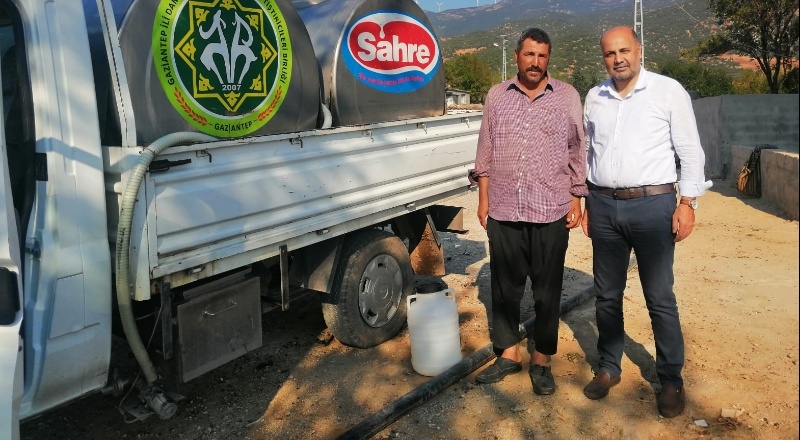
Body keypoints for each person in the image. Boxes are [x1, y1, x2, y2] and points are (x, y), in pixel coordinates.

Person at [580, 26, 712, 417]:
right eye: (609, 53)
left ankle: (670, 379)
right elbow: (588, 153)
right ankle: (608, 367)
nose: (617, 59)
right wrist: (586, 201)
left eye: (624, 50)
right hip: (603, 205)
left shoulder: (667, 91)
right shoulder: (594, 97)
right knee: (606, 295)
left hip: (653, 207)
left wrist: (688, 202)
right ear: (602, 57)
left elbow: (690, 151)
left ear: (639, 50)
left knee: (659, 297)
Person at [469, 27, 587, 395]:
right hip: (504, 207)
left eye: (542, 56)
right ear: (517, 56)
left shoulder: (567, 97)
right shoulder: (496, 96)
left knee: (548, 290)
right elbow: (485, 151)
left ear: (548, 59)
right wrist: (483, 199)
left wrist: (577, 197)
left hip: (551, 208)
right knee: (505, 288)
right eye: (529, 55)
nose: (535, 62)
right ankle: (509, 354)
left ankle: (541, 360)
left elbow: (577, 150)